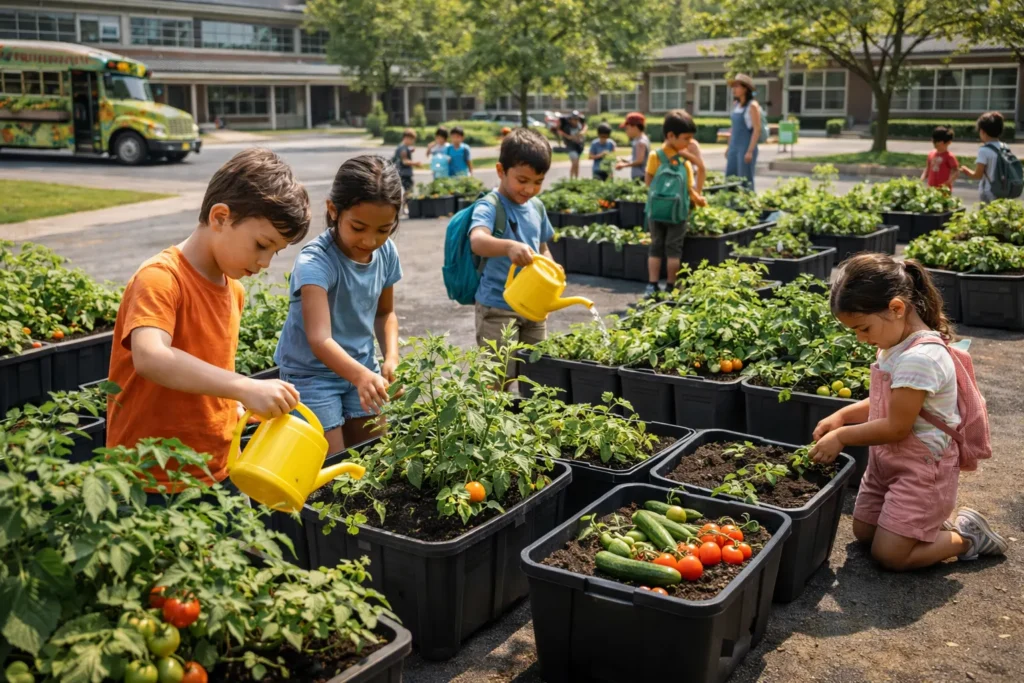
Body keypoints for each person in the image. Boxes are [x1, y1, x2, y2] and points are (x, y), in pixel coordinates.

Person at [107, 148, 310, 491]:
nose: (266, 263)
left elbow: (213, 373)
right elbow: (151, 357)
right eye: (262, 245)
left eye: (275, 252)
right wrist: (245, 386)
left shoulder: (234, 290)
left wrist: (237, 407)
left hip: (219, 470)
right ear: (219, 218)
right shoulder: (161, 278)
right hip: (149, 482)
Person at [809, 254, 1007, 570]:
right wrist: (844, 415)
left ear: (897, 308)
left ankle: (969, 538)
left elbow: (898, 427)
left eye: (863, 328)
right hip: (888, 461)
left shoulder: (921, 359)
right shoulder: (894, 344)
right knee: (864, 533)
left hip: (922, 468)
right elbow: (888, 402)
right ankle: (921, 527)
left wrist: (843, 435)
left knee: (891, 556)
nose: (861, 338)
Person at [274, 155, 403, 455]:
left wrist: (391, 358)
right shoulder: (315, 262)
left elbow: (385, 313)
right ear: (333, 210)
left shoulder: (386, 253)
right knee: (332, 468)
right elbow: (319, 339)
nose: (370, 240)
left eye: (383, 230)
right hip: (311, 376)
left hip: (362, 367)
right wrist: (360, 375)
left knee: (374, 457)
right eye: (358, 227)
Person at [469, 127, 556, 381]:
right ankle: (494, 421)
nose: (529, 189)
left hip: (533, 308)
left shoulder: (537, 207)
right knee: (497, 379)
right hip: (497, 307)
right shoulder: (490, 206)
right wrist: (508, 246)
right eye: (522, 180)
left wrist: (551, 269)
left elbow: (542, 248)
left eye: (538, 182)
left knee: (537, 377)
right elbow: (478, 240)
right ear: (501, 171)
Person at [644, 109, 707, 297]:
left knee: (655, 247)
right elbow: (689, 188)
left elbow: (649, 181)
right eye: (686, 139)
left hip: (656, 211)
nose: (689, 143)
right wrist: (698, 199)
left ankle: (652, 285)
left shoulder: (655, 156)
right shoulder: (684, 162)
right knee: (674, 250)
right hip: (678, 213)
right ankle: (671, 286)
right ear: (671, 136)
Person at [725, 73, 763, 191]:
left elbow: (757, 129)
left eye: (737, 86)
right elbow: (733, 128)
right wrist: (728, 147)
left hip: (746, 148)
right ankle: (730, 206)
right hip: (734, 147)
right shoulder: (736, 105)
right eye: (733, 86)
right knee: (730, 178)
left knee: (745, 180)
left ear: (745, 88)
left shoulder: (752, 106)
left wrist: (750, 151)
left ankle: (748, 206)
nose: (734, 89)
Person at [959, 112, 1005, 203]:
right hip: (1004, 190)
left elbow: (978, 175)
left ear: (982, 131)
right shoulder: (1004, 147)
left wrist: (966, 170)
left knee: (985, 216)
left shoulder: (984, 150)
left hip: (989, 192)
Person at [393, 128, 424, 214]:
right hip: (404, 173)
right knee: (408, 190)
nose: (412, 142)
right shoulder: (403, 149)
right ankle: (405, 206)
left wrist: (410, 150)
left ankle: (402, 206)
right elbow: (405, 161)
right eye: (412, 140)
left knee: (404, 190)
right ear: (406, 138)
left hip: (399, 172)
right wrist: (416, 163)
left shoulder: (401, 147)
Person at [615, 112, 650, 182]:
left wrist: (624, 165)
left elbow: (639, 161)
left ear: (635, 127)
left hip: (641, 176)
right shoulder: (638, 140)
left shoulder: (641, 142)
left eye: (627, 128)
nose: (626, 131)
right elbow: (635, 157)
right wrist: (624, 159)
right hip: (639, 175)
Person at [922, 126, 959, 191]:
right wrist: (921, 179)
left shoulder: (949, 156)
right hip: (931, 189)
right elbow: (928, 169)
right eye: (934, 141)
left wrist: (948, 182)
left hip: (943, 190)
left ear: (947, 143)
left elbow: (955, 171)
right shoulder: (931, 154)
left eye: (938, 142)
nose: (935, 144)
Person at [558, 111, 587, 179]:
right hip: (571, 146)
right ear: (570, 119)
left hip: (579, 146)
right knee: (575, 162)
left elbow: (585, 126)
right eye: (574, 119)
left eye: (577, 119)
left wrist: (582, 132)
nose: (576, 121)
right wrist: (568, 136)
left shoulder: (580, 124)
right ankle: (571, 179)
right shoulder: (567, 127)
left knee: (577, 164)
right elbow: (559, 130)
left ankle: (576, 179)